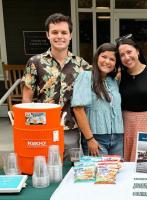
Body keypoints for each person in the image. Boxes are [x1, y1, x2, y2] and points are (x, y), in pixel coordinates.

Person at [21, 13, 91, 161]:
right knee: (43, 166)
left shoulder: (81, 64)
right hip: (42, 127)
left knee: (69, 171)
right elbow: (27, 98)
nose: (59, 36)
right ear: (48, 35)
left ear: (70, 35)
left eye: (64, 32)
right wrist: (29, 129)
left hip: (69, 129)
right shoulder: (35, 62)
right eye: (55, 32)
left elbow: (99, 79)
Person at [116, 35, 147, 162]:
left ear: (137, 51)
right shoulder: (120, 76)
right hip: (126, 126)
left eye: (129, 52)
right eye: (122, 55)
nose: (126, 57)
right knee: (125, 166)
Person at [71, 43, 123, 157]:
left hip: (118, 138)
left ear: (116, 64)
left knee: (117, 173)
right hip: (97, 139)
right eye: (104, 57)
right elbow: (78, 109)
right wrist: (90, 139)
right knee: (100, 174)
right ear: (97, 57)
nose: (107, 61)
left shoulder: (114, 81)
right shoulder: (85, 76)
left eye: (112, 59)